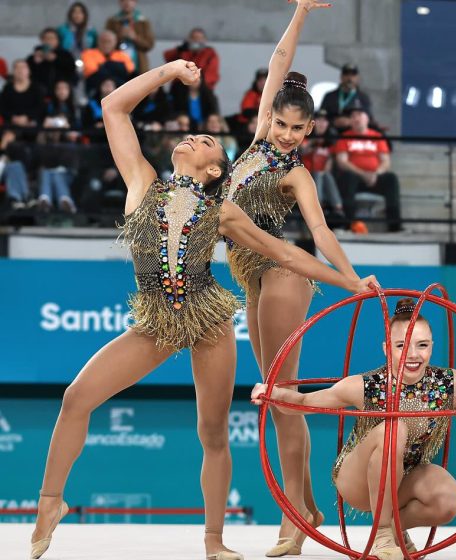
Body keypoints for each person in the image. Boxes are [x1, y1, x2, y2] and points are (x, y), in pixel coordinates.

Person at [28, 58, 376, 560]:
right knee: (77, 396)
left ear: (215, 170)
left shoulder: (222, 209)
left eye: (207, 141)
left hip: (209, 320)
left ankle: (214, 542)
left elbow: (286, 252)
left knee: (212, 432)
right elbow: (112, 107)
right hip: (157, 324)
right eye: (191, 136)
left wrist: (348, 282)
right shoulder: (141, 182)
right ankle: (49, 502)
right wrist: (168, 71)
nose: (194, 137)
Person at [223, 3, 362, 556]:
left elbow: (321, 232)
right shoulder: (257, 142)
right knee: (279, 399)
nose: (284, 134)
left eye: (295, 129)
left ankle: (293, 521)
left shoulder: (297, 172)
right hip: (250, 277)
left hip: (283, 271)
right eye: (279, 123)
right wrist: (301, 11)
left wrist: (351, 279)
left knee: (284, 396)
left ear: (310, 130)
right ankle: (305, 508)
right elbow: (279, 61)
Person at [251, 298, 456, 560]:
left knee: (447, 499)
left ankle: (393, 529)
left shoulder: (450, 384)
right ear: (387, 348)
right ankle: (381, 534)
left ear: (432, 347)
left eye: (422, 345)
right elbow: (303, 403)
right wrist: (270, 392)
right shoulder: (365, 385)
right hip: (358, 481)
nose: (413, 355)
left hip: (403, 479)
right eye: (402, 346)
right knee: (395, 428)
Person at [334, 100, 402, 232]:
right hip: (355, 177)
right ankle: (350, 224)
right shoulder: (344, 137)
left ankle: (395, 227)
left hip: (375, 178)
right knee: (347, 177)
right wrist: (362, 173)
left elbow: (386, 161)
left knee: (391, 178)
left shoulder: (377, 136)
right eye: (353, 116)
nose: (355, 118)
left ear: (367, 118)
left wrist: (375, 174)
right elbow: (341, 162)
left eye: (359, 115)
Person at [301, 108, 345, 221]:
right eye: (319, 120)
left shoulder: (330, 141)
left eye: (324, 121)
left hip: (323, 177)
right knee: (318, 174)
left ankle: (337, 208)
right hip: (305, 175)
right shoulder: (305, 137)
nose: (321, 124)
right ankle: (319, 207)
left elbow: (329, 165)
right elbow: (302, 151)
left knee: (325, 175)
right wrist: (313, 142)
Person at [105, 0, 155, 74]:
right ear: (119, 2)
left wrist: (135, 37)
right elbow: (106, 44)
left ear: (135, 2)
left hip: (139, 65)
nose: (127, 3)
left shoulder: (143, 21)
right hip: (117, 65)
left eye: (130, 0)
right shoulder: (112, 21)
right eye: (123, 0)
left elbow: (149, 44)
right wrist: (120, 36)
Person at [319, 62, 372, 131]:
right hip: (331, 136)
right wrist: (333, 122)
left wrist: (351, 121)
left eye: (353, 75)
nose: (349, 78)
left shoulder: (363, 98)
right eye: (346, 74)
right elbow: (321, 116)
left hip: (353, 134)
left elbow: (368, 119)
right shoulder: (329, 96)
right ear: (341, 77)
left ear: (357, 78)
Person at [81, 29, 134, 94]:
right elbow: (91, 70)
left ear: (115, 42)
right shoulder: (88, 53)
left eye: (109, 41)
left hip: (119, 91)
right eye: (103, 41)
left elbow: (129, 70)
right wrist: (115, 68)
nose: (106, 44)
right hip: (96, 91)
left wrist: (103, 67)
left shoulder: (122, 55)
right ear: (98, 42)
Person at [0, 60, 45, 128]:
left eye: (23, 67)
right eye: (17, 67)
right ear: (13, 71)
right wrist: (13, 117)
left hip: (32, 122)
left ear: (29, 71)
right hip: (11, 122)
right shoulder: (7, 88)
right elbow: (2, 108)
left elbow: (40, 108)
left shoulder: (37, 88)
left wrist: (27, 117)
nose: (20, 70)